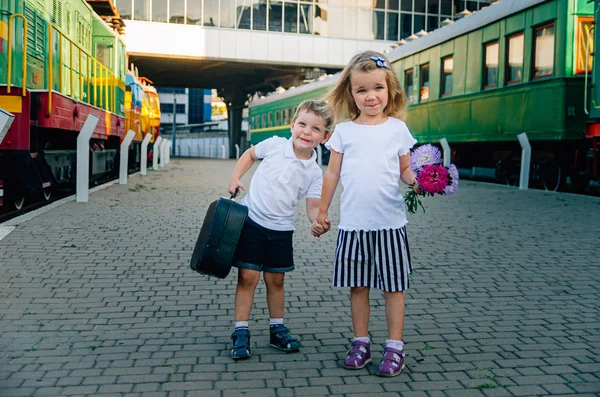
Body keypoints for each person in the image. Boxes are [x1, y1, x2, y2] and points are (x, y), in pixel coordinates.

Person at [313, 51, 421, 377]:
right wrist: (322, 211)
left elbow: (405, 170)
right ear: (351, 94)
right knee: (358, 287)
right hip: (354, 224)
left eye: (378, 88)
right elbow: (331, 175)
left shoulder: (398, 130)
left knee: (393, 287)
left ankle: (395, 346)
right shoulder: (344, 132)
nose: (371, 96)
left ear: (391, 90)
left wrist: (420, 181)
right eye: (362, 90)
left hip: (390, 224)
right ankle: (361, 341)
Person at [227, 99, 334, 360]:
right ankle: (240, 331)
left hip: (282, 231)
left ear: (325, 137)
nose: (307, 132)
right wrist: (235, 176)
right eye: (302, 124)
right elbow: (250, 155)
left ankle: (277, 328)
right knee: (247, 278)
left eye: (315, 129)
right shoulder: (275, 145)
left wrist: (317, 220)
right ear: (292, 125)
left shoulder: (314, 172)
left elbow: (312, 206)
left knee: (276, 281)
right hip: (251, 222)